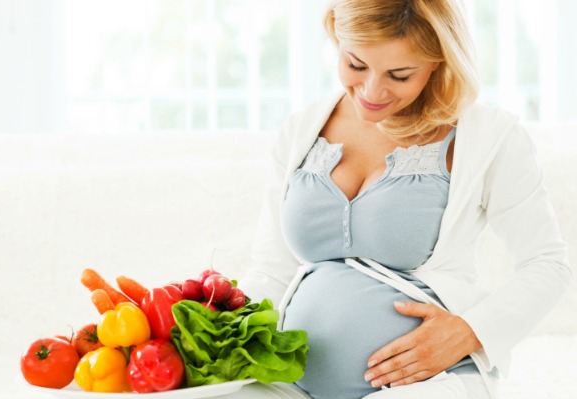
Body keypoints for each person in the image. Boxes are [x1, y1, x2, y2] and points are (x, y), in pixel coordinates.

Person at [230, 1, 573, 399]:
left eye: (399, 74)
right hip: (291, 382)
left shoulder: (488, 136)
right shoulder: (302, 130)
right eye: (356, 65)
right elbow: (272, 270)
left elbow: (547, 264)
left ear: (437, 62)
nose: (372, 90)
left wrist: (470, 332)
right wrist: (220, 341)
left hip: (429, 384)